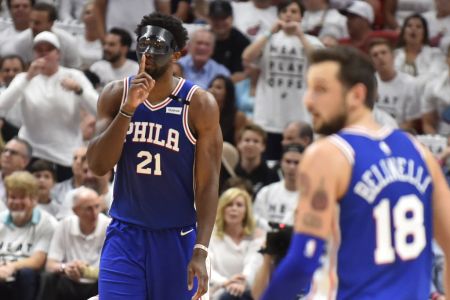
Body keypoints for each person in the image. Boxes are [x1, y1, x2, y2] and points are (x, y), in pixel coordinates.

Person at [261, 46, 450, 299]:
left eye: (321, 89)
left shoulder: (327, 154)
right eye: (308, 88)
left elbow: (303, 259)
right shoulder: (419, 151)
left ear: (356, 95)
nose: (307, 100)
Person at [86, 12, 222, 300]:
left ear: (177, 54)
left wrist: (201, 249)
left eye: (157, 46)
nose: (148, 53)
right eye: (143, 44)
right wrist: (128, 110)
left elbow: (208, 184)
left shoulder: (199, 104)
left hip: (176, 237)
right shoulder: (114, 94)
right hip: (126, 234)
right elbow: (98, 165)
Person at [38, 187, 110, 300]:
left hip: (98, 283)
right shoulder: (64, 225)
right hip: (70, 282)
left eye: (97, 206)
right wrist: (66, 267)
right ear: (76, 210)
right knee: (48, 278)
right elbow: (50, 265)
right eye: (88, 209)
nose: (95, 213)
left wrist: (86, 272)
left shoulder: (109, 226)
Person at [0, 171, 57, 300]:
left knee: (27, 274)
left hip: (25, 279)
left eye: (22, 197)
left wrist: (10, 267)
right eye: (13, 197)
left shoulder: (47, 223)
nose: (17, 202)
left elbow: (37, 261)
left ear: (34, 199)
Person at [209, 187, 263, 300]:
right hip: (218, 291)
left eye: (239, 205)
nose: (234, 208)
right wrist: (226, 282)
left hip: (247, 290)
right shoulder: (210, 235)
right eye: (229, 204)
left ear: (246, 211)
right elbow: (208, 268)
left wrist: (242, 282)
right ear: (222, 208)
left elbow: (252, 265)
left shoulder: (256, 237)